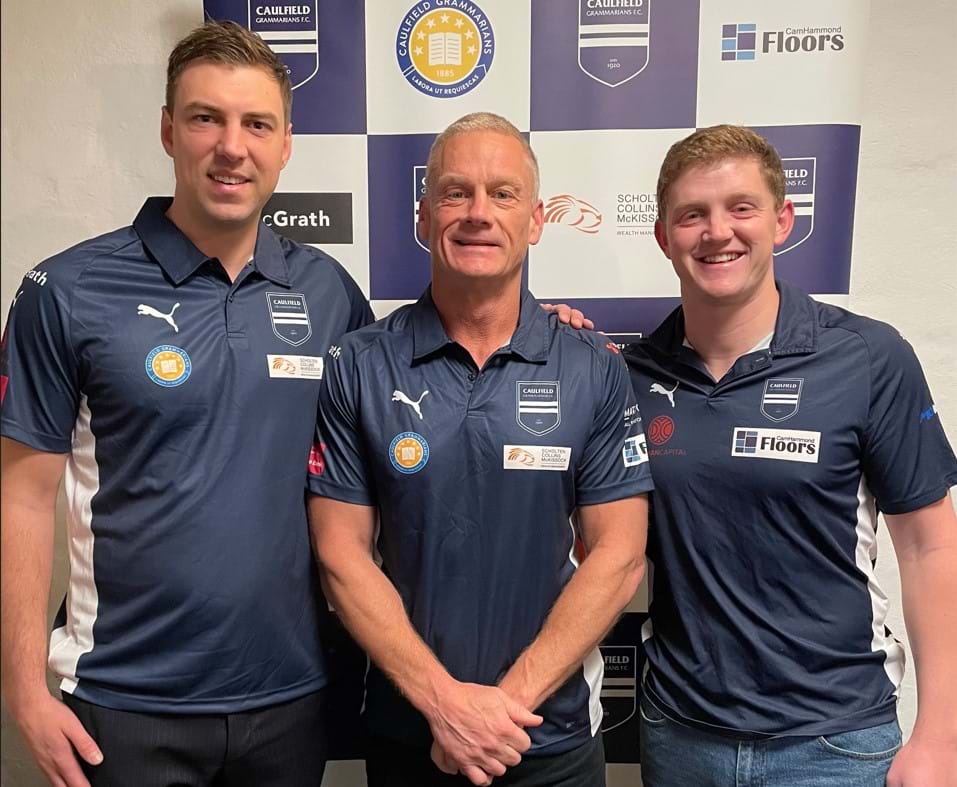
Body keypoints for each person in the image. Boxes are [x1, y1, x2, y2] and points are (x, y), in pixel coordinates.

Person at [0, 19, 375, 787]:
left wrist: (548, 325)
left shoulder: (330, 292)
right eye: (206, 118)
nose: (231, 145)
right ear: (170, 131)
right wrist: (23, 691)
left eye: (256, 124)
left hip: (289, 698)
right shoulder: (64, 290)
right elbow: (23, 498)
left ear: (286, 143)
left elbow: (413, 397)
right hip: (120, 705)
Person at [306, 112, 653, 787]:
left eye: (502, 193)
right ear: (421, 216)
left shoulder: (591, 365)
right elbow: (340, 554)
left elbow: (619, 555)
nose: (476, 213)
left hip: (547, 736)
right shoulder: (359, 362)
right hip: (410, 732)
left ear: (536, 220)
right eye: (454, 192)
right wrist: (444, 704)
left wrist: (500, 708)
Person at [625, 124, 957, 786]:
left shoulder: (867, 357)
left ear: (782, 220)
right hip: (682, 736)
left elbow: (930, 549)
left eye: (740, 208)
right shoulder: (629, 375)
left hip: (836, 744)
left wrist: (940, 736)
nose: (716, 232)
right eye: (692, 214)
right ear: (664, 237)